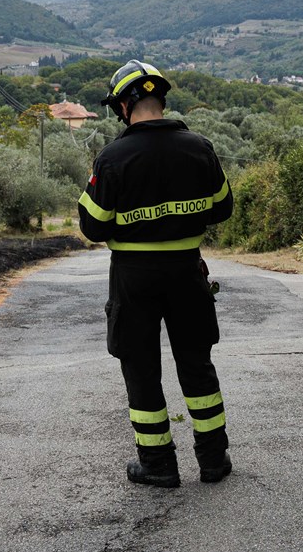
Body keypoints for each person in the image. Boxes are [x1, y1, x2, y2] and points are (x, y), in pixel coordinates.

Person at [78, 60, 234, 489]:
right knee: (197, 364)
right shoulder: (199, 147)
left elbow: (92, 225)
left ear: (124, 107)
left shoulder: (111, 158)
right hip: (187, 271)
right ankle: (214, 460)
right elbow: (223, 207)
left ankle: (159, 465)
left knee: (141, 368)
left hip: (133, 277)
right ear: (160, 100)